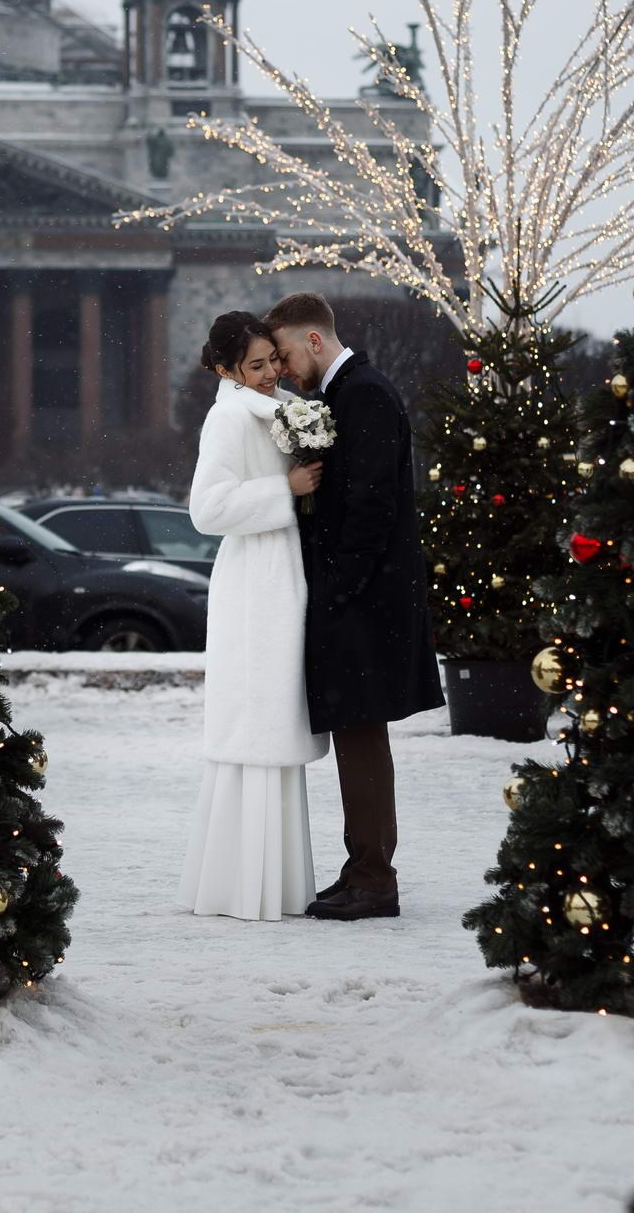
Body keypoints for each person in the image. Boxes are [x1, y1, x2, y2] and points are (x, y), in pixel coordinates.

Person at [266, 292, 442, 920]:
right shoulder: (346, 394)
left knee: (361, 734)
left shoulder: (361, 393)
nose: (283, 368)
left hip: (364, 599)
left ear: (313, 341)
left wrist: (334, 587)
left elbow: (370, 506)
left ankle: (373, 877)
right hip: (364, 592)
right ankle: (365, 868)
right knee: (356, 733)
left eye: (284, 353)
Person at [180, 310, 329, 921]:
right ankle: (245, 887)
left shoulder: (271, 411)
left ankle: (269, 883)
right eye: (256, 365)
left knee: (271, 728)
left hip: (278, 576)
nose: (271, 374)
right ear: (226, 369)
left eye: (273, 360)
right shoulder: (227, 416)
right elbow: (205, 509)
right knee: (256, 727)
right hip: (254, 584)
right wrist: (284, 493)